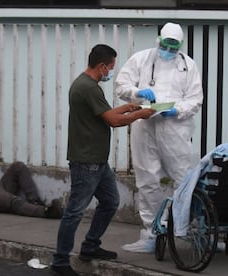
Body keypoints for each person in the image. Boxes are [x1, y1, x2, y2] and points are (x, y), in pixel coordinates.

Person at [50, 44, 155, 276]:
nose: (110, 73)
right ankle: (60, 261)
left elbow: (106, 113)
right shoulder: (88, 88)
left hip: (97, 160)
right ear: (101, 66)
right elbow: (113, 121)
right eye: (110, 68)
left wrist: (129, 107)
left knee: (109, 202)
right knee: (75, 211)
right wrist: (141, 114)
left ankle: (90, 246)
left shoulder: (87, 85)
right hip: (86, 161)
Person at [115, 22, 204, 253]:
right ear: (159, 40)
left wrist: (178, 110)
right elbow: (121, 86)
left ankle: (181, 227)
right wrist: (137, 93)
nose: (169, 51)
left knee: (183, 178)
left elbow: (196, 99)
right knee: (147, 179)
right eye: (166, 45)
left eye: (174, 47)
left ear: (180, 46)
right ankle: (151, 233)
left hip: (175, 127)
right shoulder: (141, 59)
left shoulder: (188, 65)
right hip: (145, 125)